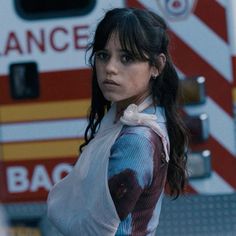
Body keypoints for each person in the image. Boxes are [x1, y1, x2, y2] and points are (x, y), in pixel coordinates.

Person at [47, 7, 188, 236]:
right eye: (103, 55)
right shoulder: (136, 116)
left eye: (127, 58)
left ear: (157, 66)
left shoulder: (137, 140)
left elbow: (97, 230)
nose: (110, 69)